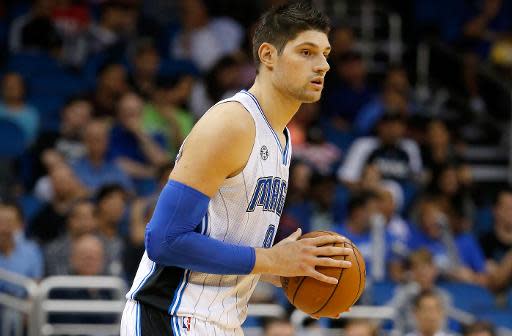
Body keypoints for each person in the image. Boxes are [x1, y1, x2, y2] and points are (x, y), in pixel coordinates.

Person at [121, 2, 353, 335]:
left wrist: (278, 269)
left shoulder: (282, 140)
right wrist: (268, 260)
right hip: (169, 315)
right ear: (268, 55)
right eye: (306, 52)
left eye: (325, 54)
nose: (323, 65)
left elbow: (221, 239)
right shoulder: (232, 123)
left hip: (222, 321)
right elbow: (164, 240)